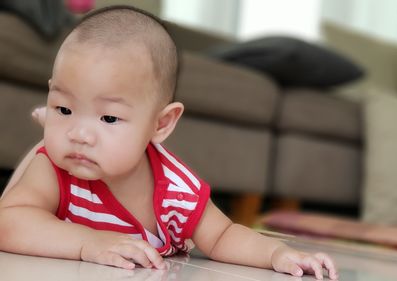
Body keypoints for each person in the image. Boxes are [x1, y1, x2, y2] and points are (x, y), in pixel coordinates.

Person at [0, 5, 338, 280]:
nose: (80, 134)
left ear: (161, 124)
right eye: (64, 107)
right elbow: (8, 223)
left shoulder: (176, 192)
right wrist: (87, 242)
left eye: (108, 118)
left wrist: (277, 254)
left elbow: (223, 237)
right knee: (38, 156)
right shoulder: (57, 165)